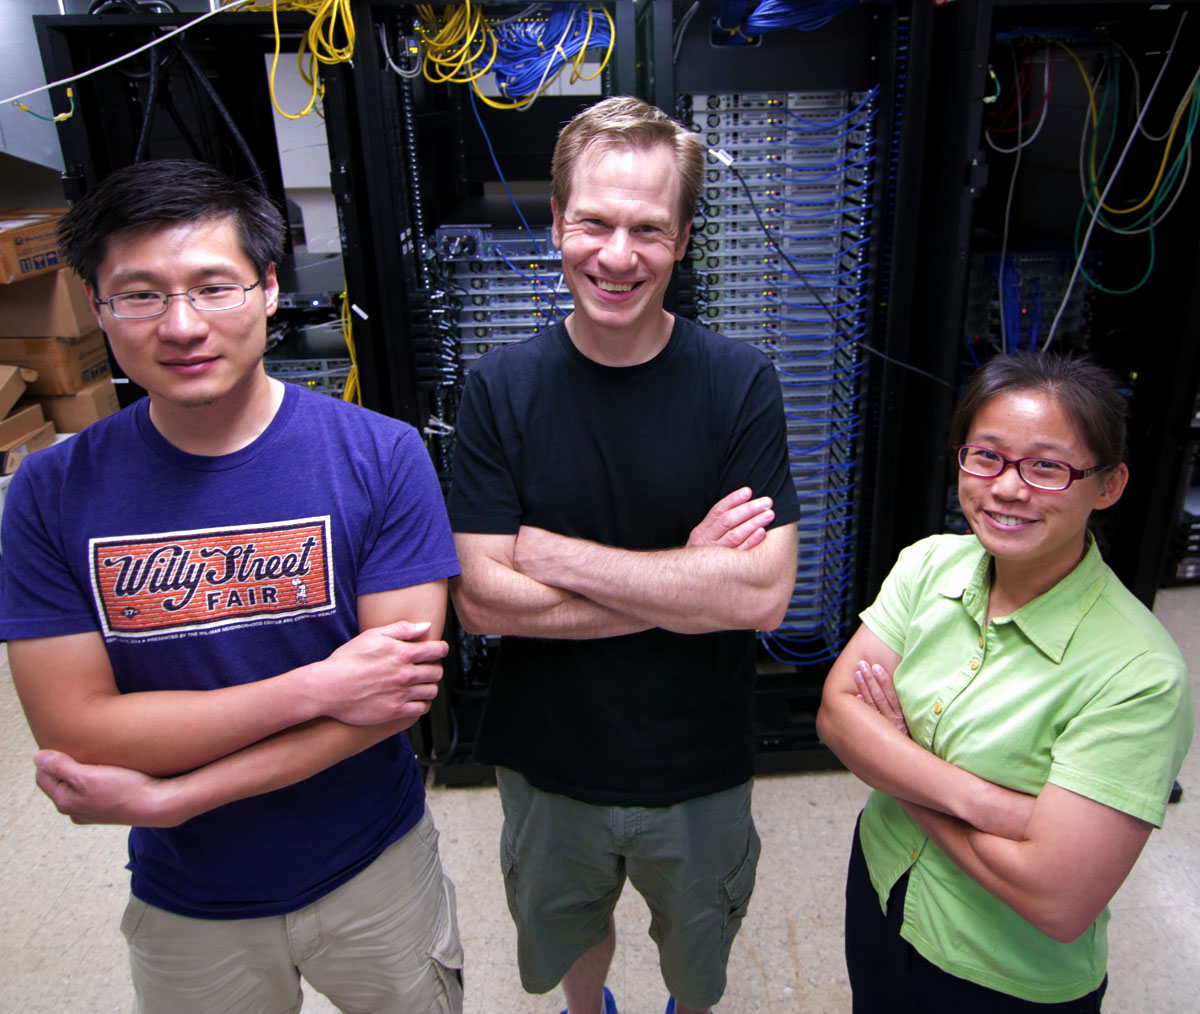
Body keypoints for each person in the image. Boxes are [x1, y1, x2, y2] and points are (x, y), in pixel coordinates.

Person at [0, 159, 465, 1013]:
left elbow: (394, 701)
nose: (181, 325)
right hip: (190, 897)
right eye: (139, 294)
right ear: (98, 308)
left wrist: (174, 796)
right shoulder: (49, 492)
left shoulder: (381, 456)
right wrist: (318, 686)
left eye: (215, 286)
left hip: (374, 866)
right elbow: (80, 730)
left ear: (269, 289)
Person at [447, 96, 800, 1014]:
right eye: (594, 223)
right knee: (571, 927)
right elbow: (482, 602)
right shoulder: (498, 389)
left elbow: (762, 596)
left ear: (681, 240)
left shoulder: (739, 382)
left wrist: (552, 554)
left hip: (696, 757)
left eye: (648, 229)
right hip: (549, 753)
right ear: (558, 222)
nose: (616, 255)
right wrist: (686, 576)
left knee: (696, 947)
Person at [816, 352, 1194, 1011]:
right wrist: (992, 806)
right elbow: (836, 715)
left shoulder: (1139, 677)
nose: (1008, 487)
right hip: (881, 888)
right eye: (985, 456)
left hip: (1001, 973)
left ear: (1108, 485)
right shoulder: (930, 564)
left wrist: (896, 766)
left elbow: (1056, 900)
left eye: (1047, 467)